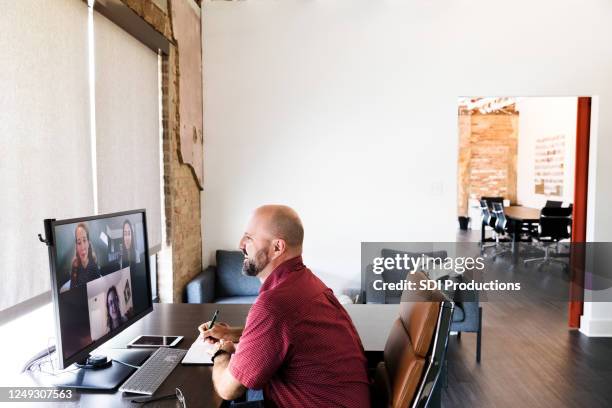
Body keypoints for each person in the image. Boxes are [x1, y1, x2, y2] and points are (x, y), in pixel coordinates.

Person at [198, 205, 370, 407]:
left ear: (277, 247)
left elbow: (228, 389)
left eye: (249, 238)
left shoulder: (274, 305)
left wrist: (220, 353)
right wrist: (231, 333)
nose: (240, 245)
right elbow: (284, 335)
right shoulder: (306, 282)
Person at [70, 222, 101, 289]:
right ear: (76, 246)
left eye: (84, 240)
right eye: (79, 243)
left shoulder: (94, 265)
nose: (82, 247)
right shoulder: (74, 264)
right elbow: (71, 290)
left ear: (88, 243)